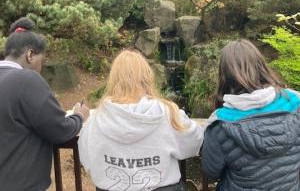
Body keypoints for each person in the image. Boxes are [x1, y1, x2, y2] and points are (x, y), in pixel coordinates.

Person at [78, 49, 204, 191]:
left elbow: (87, 160)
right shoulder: (168, 113)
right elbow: (195, 140)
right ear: (147, 77)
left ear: (113, 79)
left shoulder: (96, 119)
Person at [0, 17, 90, 191]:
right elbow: (60, 129)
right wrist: (79, 115)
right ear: (30, 54)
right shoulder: (26, 79)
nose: (41, 69)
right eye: (42, 62)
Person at [201, 39, 300, 191]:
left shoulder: (220, 124)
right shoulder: (295, 103)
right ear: (261, 66)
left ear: (225, 75)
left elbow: (211, 171)